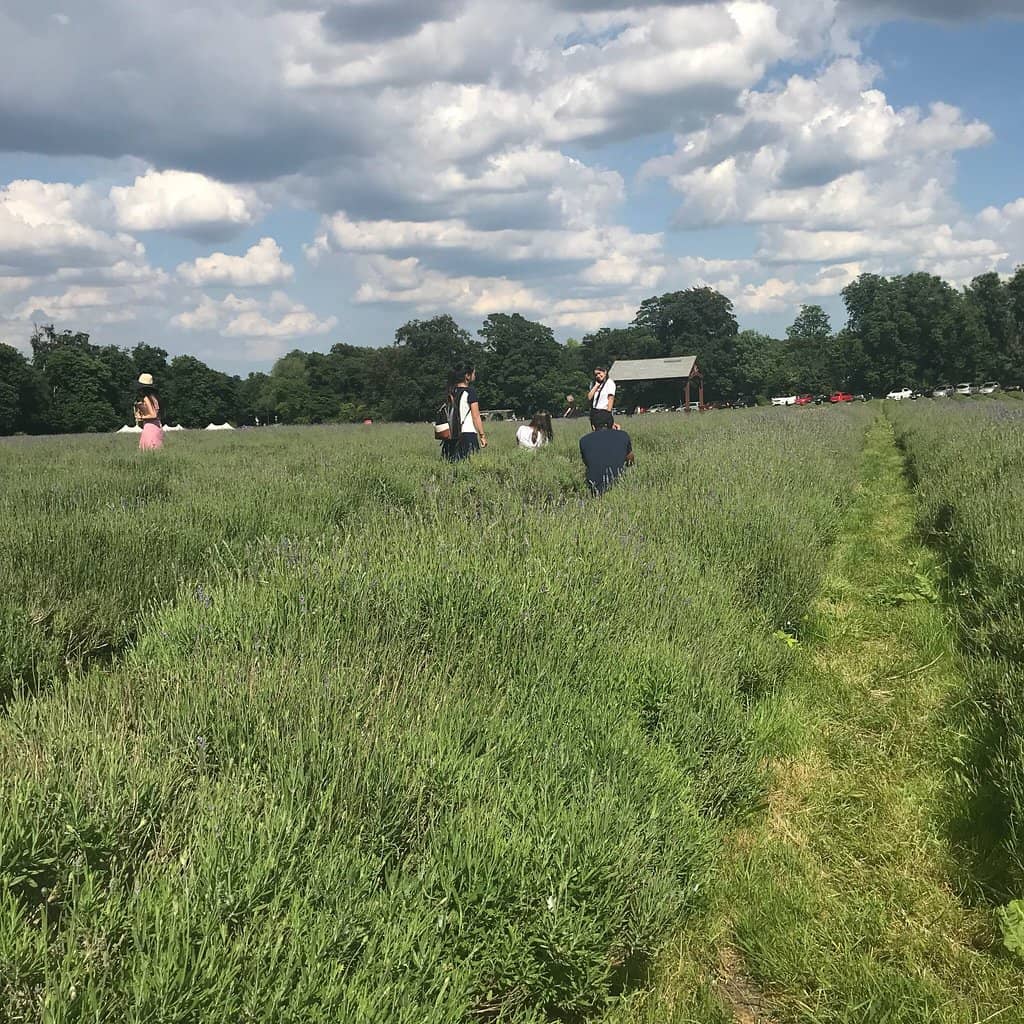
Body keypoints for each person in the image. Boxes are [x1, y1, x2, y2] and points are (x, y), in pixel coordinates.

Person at [579, 409, 633, 495]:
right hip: (621, 487)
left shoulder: (584, 441)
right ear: (612, 424)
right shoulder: (623, 435)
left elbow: (588, 463)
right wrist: (618, 433)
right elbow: (630, 461)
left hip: (595, 491)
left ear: (593, 426)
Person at [442, 363, 487, 462]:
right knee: (472, 465)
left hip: (450, 435)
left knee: (452, 466)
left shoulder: (450, 392)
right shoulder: (470, 392)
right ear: (467, 376)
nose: (475, 376)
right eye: (473, 373)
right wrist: (482, 436)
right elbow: (476, 416)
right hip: (467, 434)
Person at [133, 373, 164, 451]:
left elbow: (153, 414)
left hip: (150, 426)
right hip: (156, 426)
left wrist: (141, 417)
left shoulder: (147, 398)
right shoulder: (154, 398)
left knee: (147, 449)